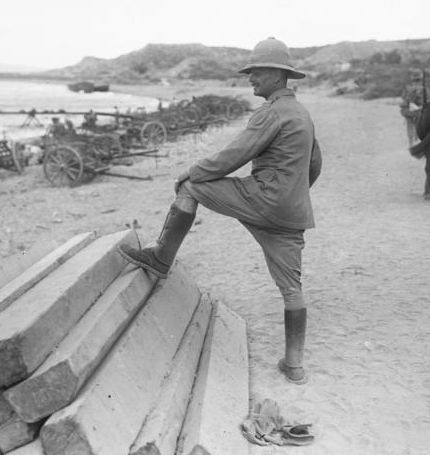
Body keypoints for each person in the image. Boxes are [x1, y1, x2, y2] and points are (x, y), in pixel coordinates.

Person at [118, 37, 317, 384]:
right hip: (292, 214)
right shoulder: (303, 113)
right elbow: (314, 165)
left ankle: (161, 258)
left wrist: (191, 171)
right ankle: (294, 366)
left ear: (275, 74)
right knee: (291, 287)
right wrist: (292, 197)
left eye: (256, 72)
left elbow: (233, 155)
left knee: (190, 188)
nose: (250, 78)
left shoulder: (270, 113)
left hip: (262, 201)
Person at [400, 70, 426, 147]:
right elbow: (428, 99)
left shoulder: (408, 88)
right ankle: (417, 139)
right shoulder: (423, 88)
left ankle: (410, 144)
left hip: (408, 110)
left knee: (410, 125)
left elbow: (403, 97)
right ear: (421, 79)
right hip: (419, 110)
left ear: (412, 79)